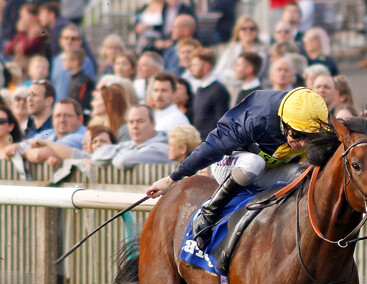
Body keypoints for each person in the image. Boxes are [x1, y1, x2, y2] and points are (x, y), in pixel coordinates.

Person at [145, 88, 330, 251]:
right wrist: (172, 179)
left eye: (310, 136)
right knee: (254, 163)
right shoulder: (256, 118)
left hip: (268, 170)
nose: (303, 143)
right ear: (283, 121)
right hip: (231, 164)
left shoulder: (319, 126)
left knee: (304, 173)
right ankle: (209, 211)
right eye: (298, 135)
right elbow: (213, 147)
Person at [92, 104, 171, 170]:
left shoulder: (162, 148)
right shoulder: (130, 145)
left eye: (140, 121)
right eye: (131, 122)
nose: (135, 126)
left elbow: (123, 161)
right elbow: (96, 157)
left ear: (152, 124)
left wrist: (112, 158)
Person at [189, 48, 230, 139]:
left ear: (206, 66)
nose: (192, 68)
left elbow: (222, 122)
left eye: (196, 65)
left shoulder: (218, 90)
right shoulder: (199, 88)